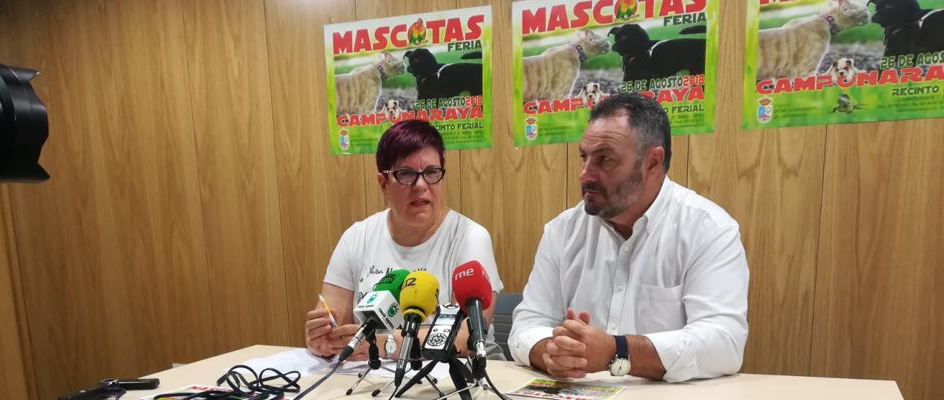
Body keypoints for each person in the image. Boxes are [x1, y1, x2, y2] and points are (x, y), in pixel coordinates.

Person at [509, 93, 749, 383]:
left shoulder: (708, 229)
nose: (585, 174)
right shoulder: (563, 231)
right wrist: (552, 351)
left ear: (652, 162)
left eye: (605, 160)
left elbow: (724, 344)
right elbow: (526, 325)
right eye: (584, 157)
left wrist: (618, 351)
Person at [306, 120, 503, 359]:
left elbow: (466, 337)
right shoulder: (356, 237)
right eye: (406, 174)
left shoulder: (470, 237)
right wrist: (322, 339)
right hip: (369, 384)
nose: (420, 185)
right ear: (383, 184)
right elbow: (331, 318)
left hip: (451, 381)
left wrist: (378, 345)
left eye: (431, 172)